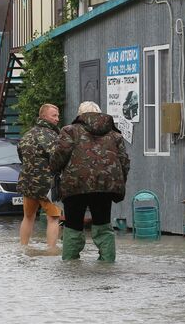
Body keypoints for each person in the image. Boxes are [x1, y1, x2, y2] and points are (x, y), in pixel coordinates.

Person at [50, 101, 130, 262]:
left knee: (72, 225)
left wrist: (55, 170)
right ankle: (107, 264)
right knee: (103, 224)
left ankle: (70, 264)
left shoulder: (69, 131)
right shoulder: (115, 135)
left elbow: (58, 158)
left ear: (80, 115)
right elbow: (124, 162)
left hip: (74, 185)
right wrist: (117, 182)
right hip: (105, 186)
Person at [17, 104, 62, 252]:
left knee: (28, 217)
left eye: (57, 115)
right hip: (47, 186)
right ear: (43, 117)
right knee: (53, 218)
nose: (57, 118)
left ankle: (23, 247)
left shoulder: (27, 135)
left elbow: (21, 157)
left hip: (28, 184)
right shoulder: (52, 136)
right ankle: (51, 250)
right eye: (53, 115)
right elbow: (57, 160)